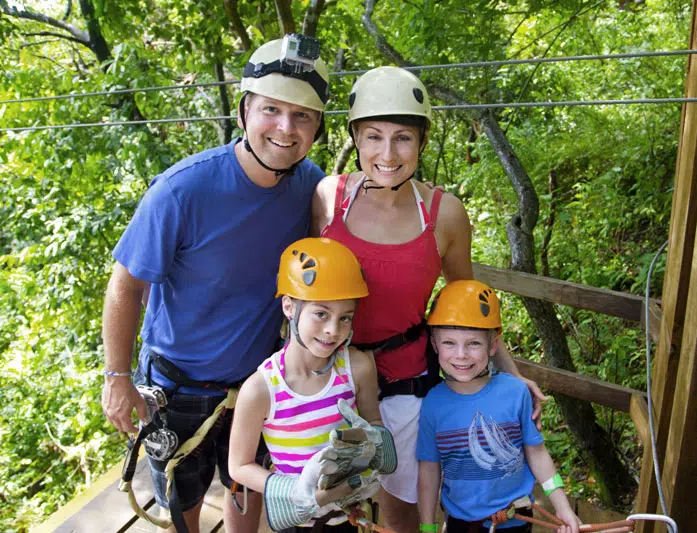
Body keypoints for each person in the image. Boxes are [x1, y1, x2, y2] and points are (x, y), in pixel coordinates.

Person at [101, 35, 332, 533]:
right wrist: (117, 379)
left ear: (317, 128)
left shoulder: (307, 185)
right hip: (177, 387)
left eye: (303, 117)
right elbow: (126, 284)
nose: (285, 129)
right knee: (182, 512)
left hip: (255, 385)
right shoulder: (183, 190)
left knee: (244, 495)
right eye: (271, 109)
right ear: (245, 109)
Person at [311, 66, 546, 533]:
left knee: (401, 513)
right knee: (332, 510)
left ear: (421, 142)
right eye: (373, 136)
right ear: (355, 138)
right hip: (330, 380)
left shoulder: (444, 215)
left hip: (404, 383)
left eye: (403, 138)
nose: (387, 153)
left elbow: (469, 305)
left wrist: (513, 377)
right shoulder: (327, 199)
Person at [228, 237, 397, 532]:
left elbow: (373, 420)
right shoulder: (260, 390)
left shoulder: (357, 367)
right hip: (296, 521)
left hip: (349, 516)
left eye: (345, 318)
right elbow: (239, 466)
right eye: (321, 313)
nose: (333, 330)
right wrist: (298, 491)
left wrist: (376, 445)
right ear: (289, 307)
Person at [417, 280, 580, 533]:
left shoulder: (515, 393)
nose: (461, 354)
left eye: (474, 343)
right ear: (435, 344)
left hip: (517, 520)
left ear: (493, 345)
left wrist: (562, 507)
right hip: (463, 525)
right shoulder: (433, 404)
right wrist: (427, 527)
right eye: (449, 343)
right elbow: (429, 471)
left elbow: (537, 454)